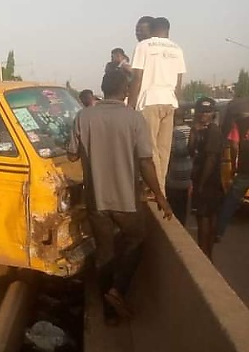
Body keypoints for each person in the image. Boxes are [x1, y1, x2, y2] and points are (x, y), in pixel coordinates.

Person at [67, 70, 172, 325]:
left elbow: (71, 155)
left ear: (103, 90)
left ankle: (109, 313)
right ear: (125, 90)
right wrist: (160, 196)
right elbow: (146, 162)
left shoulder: (83, 116)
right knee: (136, 238)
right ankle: (119, 289)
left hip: (96, 200)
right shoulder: (134, 119)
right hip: (126, 200)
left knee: (104, 253)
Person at [129, 17, 186, 195]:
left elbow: (136, 77)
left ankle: (157, 190)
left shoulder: (143, 46)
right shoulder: (177, 49)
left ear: (151, 29)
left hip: (150, 100)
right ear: (167, 30)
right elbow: (179, 81)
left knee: (150, 148)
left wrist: (130, 106)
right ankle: (160, 189)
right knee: (164, 150)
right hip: (169, 101)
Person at [188, 97, 223, 260]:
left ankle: (205, 256)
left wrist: (200, 185)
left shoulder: (214, 131)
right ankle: (207, 256)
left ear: (213, 113)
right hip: (202, 181)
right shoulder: (200, 131)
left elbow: (211, 160)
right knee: (205, 218)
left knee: (205, 220)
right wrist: (194, 132)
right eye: (201, 111)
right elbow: (191, 151)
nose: (204, 115)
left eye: (207, 112)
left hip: (209, 183)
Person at [216, 111, 249, 239]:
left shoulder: (240, 123)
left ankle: (218, 232)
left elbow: (234, 145)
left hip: (244, 168)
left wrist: (235, 165)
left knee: (230, 201)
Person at [165, 108, 193, 224]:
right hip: (188, 175)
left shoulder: (171, 134)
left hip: (174, 176)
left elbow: (171, 152)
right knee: (183, 207)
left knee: (173, 206)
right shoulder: (191, 131)